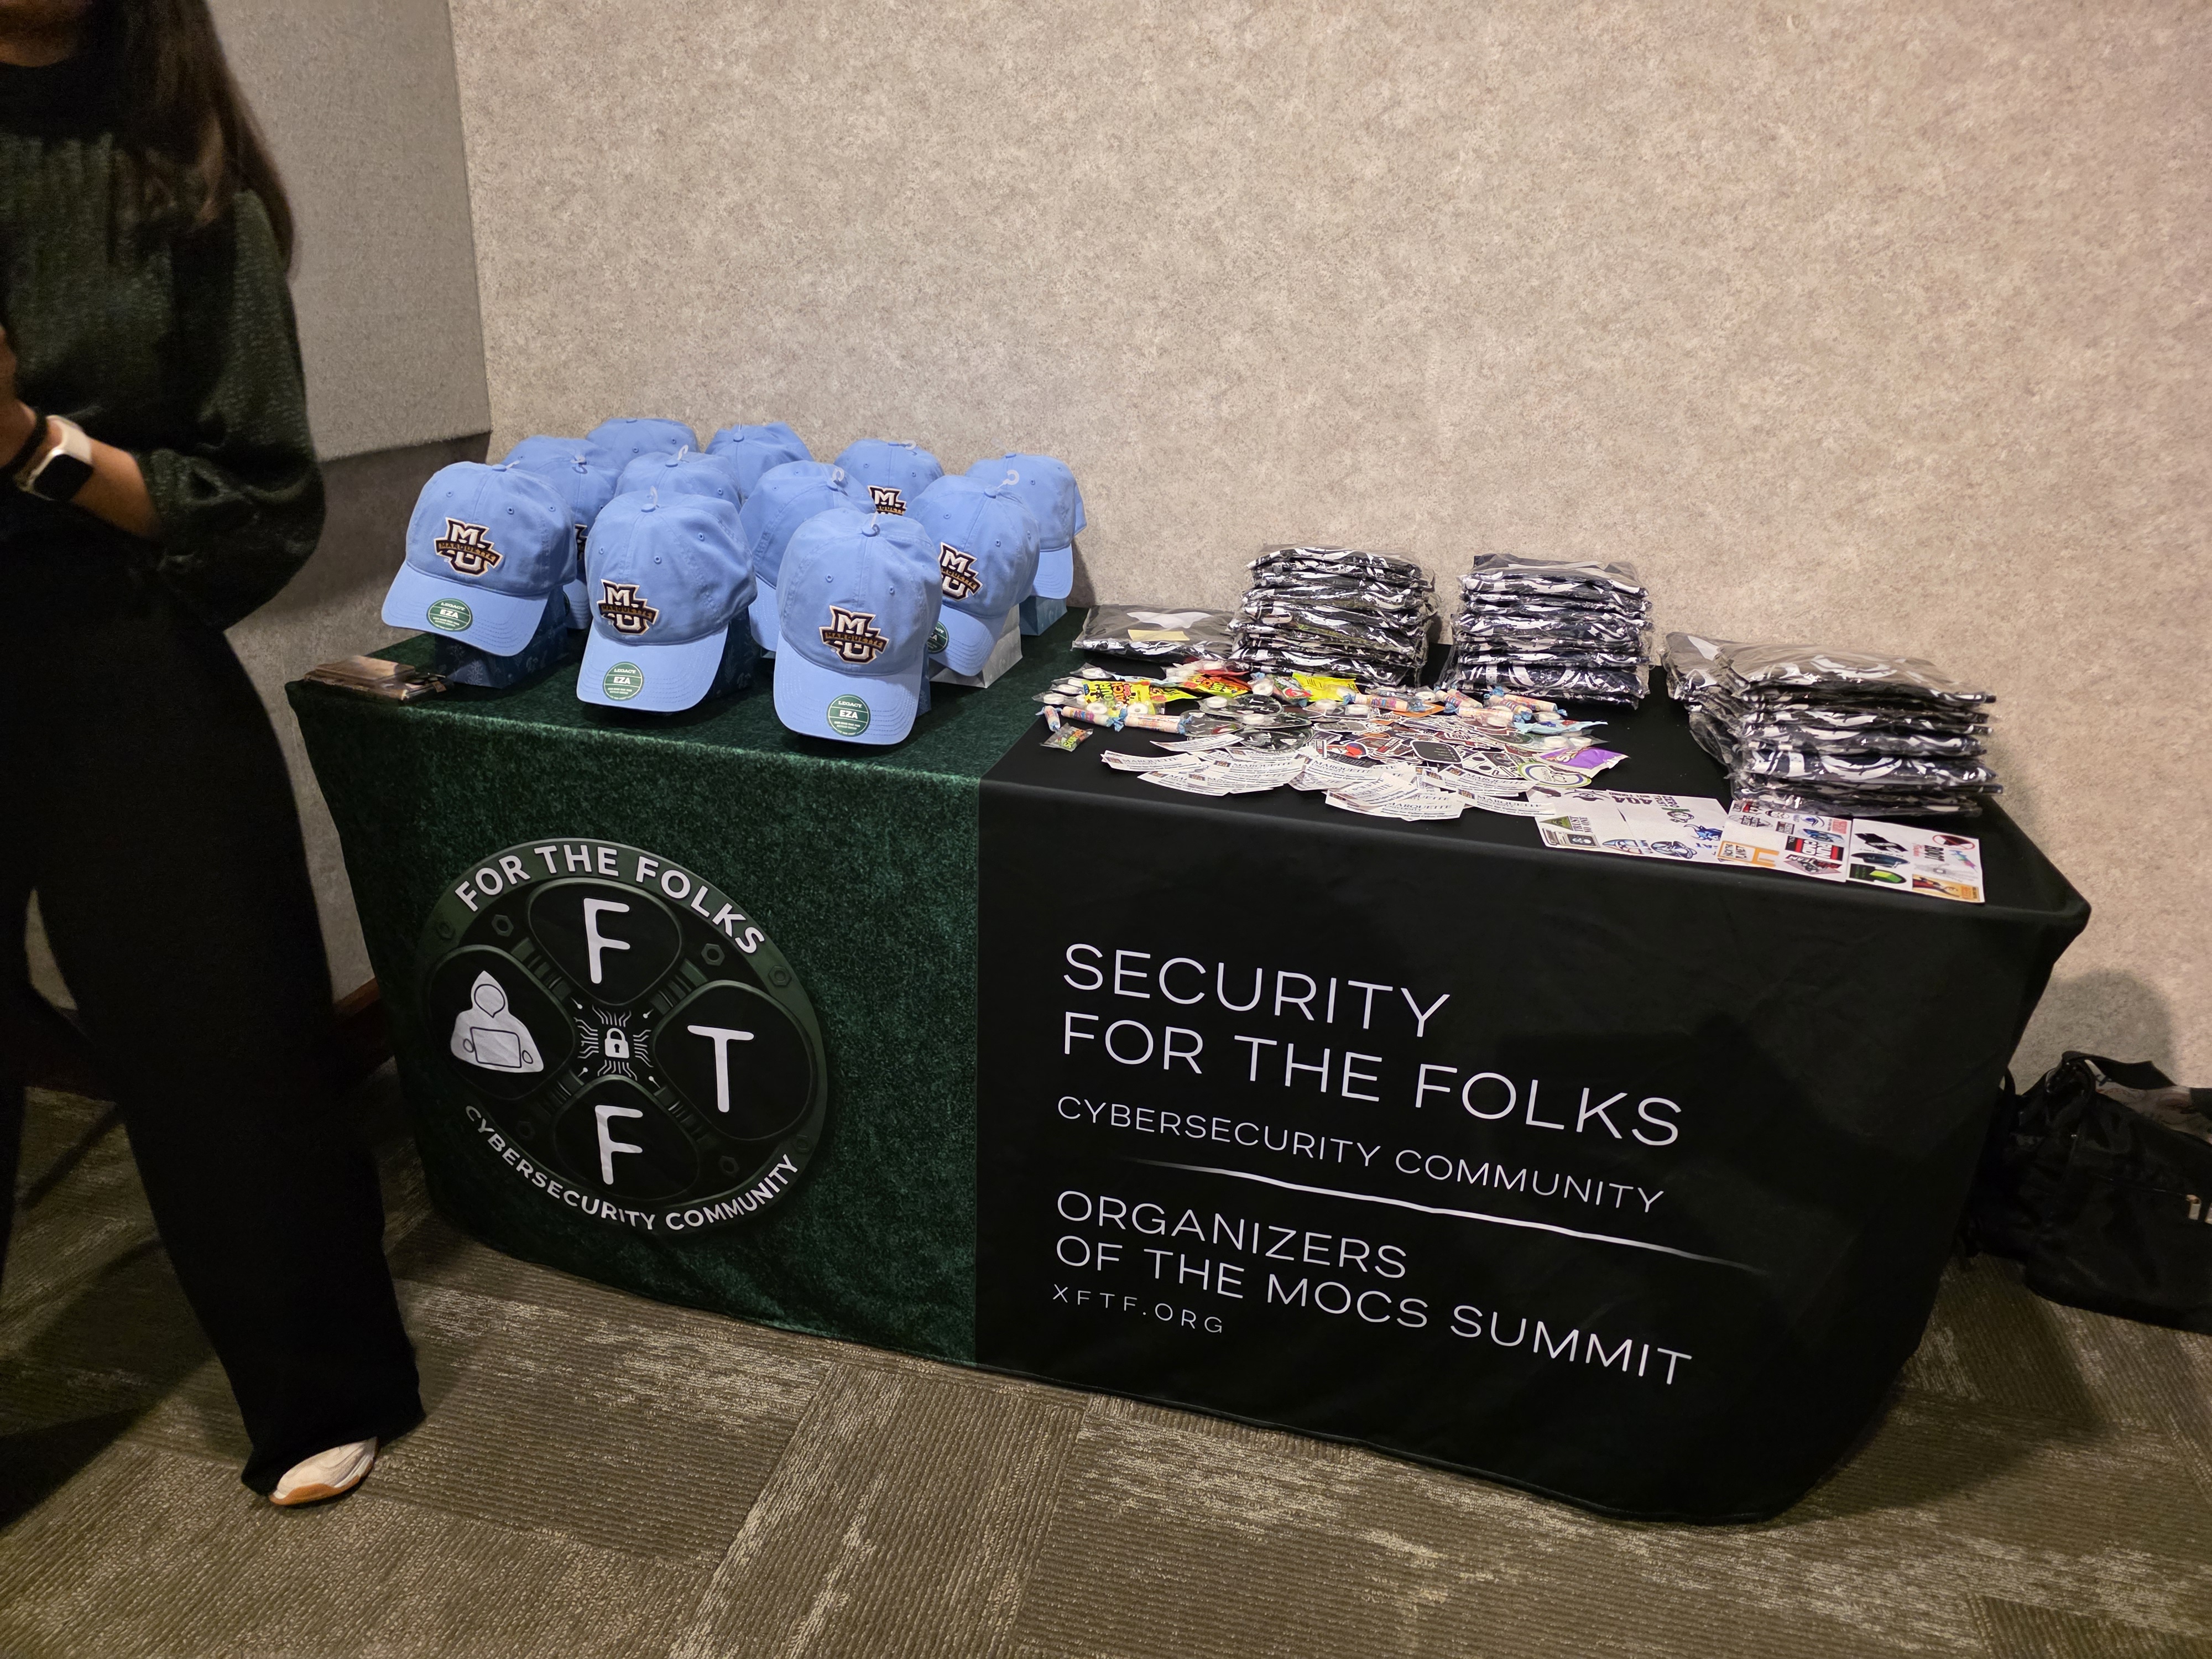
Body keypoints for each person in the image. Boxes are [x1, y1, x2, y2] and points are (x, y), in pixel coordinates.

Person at [0, 0, 421, 1504]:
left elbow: (256, 495)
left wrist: (31, 443)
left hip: (99, 620)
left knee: (219, 1015)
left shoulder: (183, 168)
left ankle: (320, 1380)